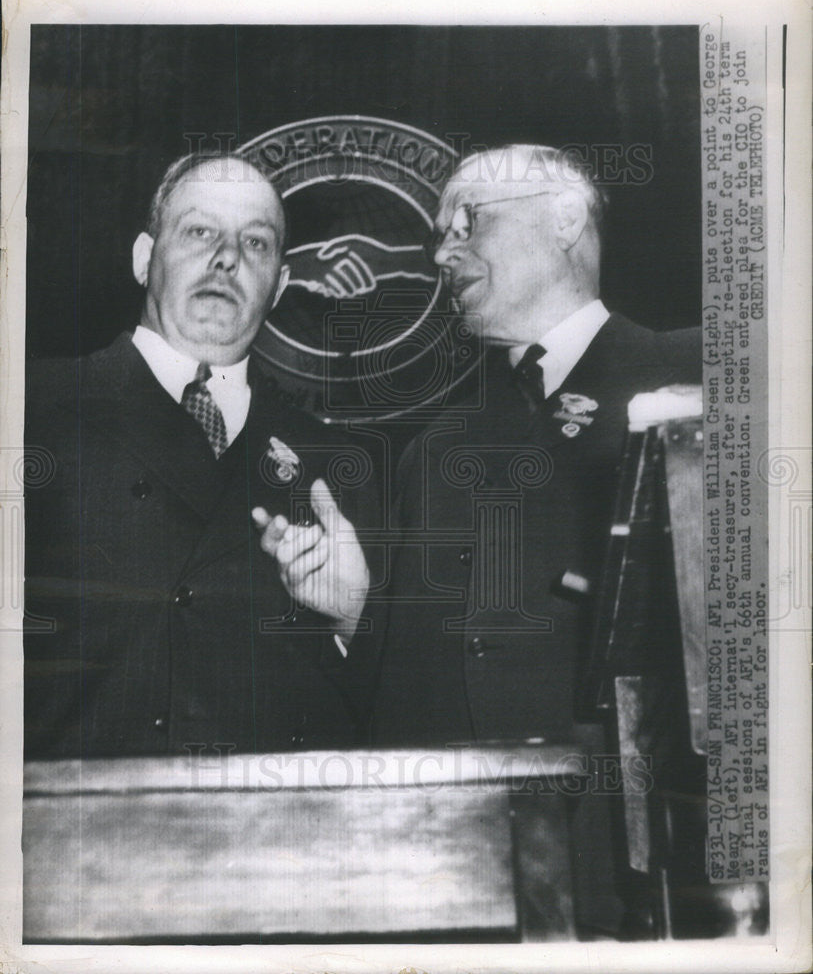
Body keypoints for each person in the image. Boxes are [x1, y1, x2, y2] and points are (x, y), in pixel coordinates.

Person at [372, 144, 701, 934]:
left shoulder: (697, 374)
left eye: (468, 220)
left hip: (641, 844)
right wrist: (358, 608)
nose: (441, 249)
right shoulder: (432, 448)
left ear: (564, 221)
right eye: (439, 231)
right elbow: (407, 684)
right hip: (471, 863)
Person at [24, 152, 378, 760]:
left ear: (281, 286)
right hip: (72, 831)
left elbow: (392, 714)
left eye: (256, 243)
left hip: (272, 838)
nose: (228, 258)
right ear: (144, 258)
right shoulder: (29, 404)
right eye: (199, 231)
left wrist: (352, 621)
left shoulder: (340, 463)